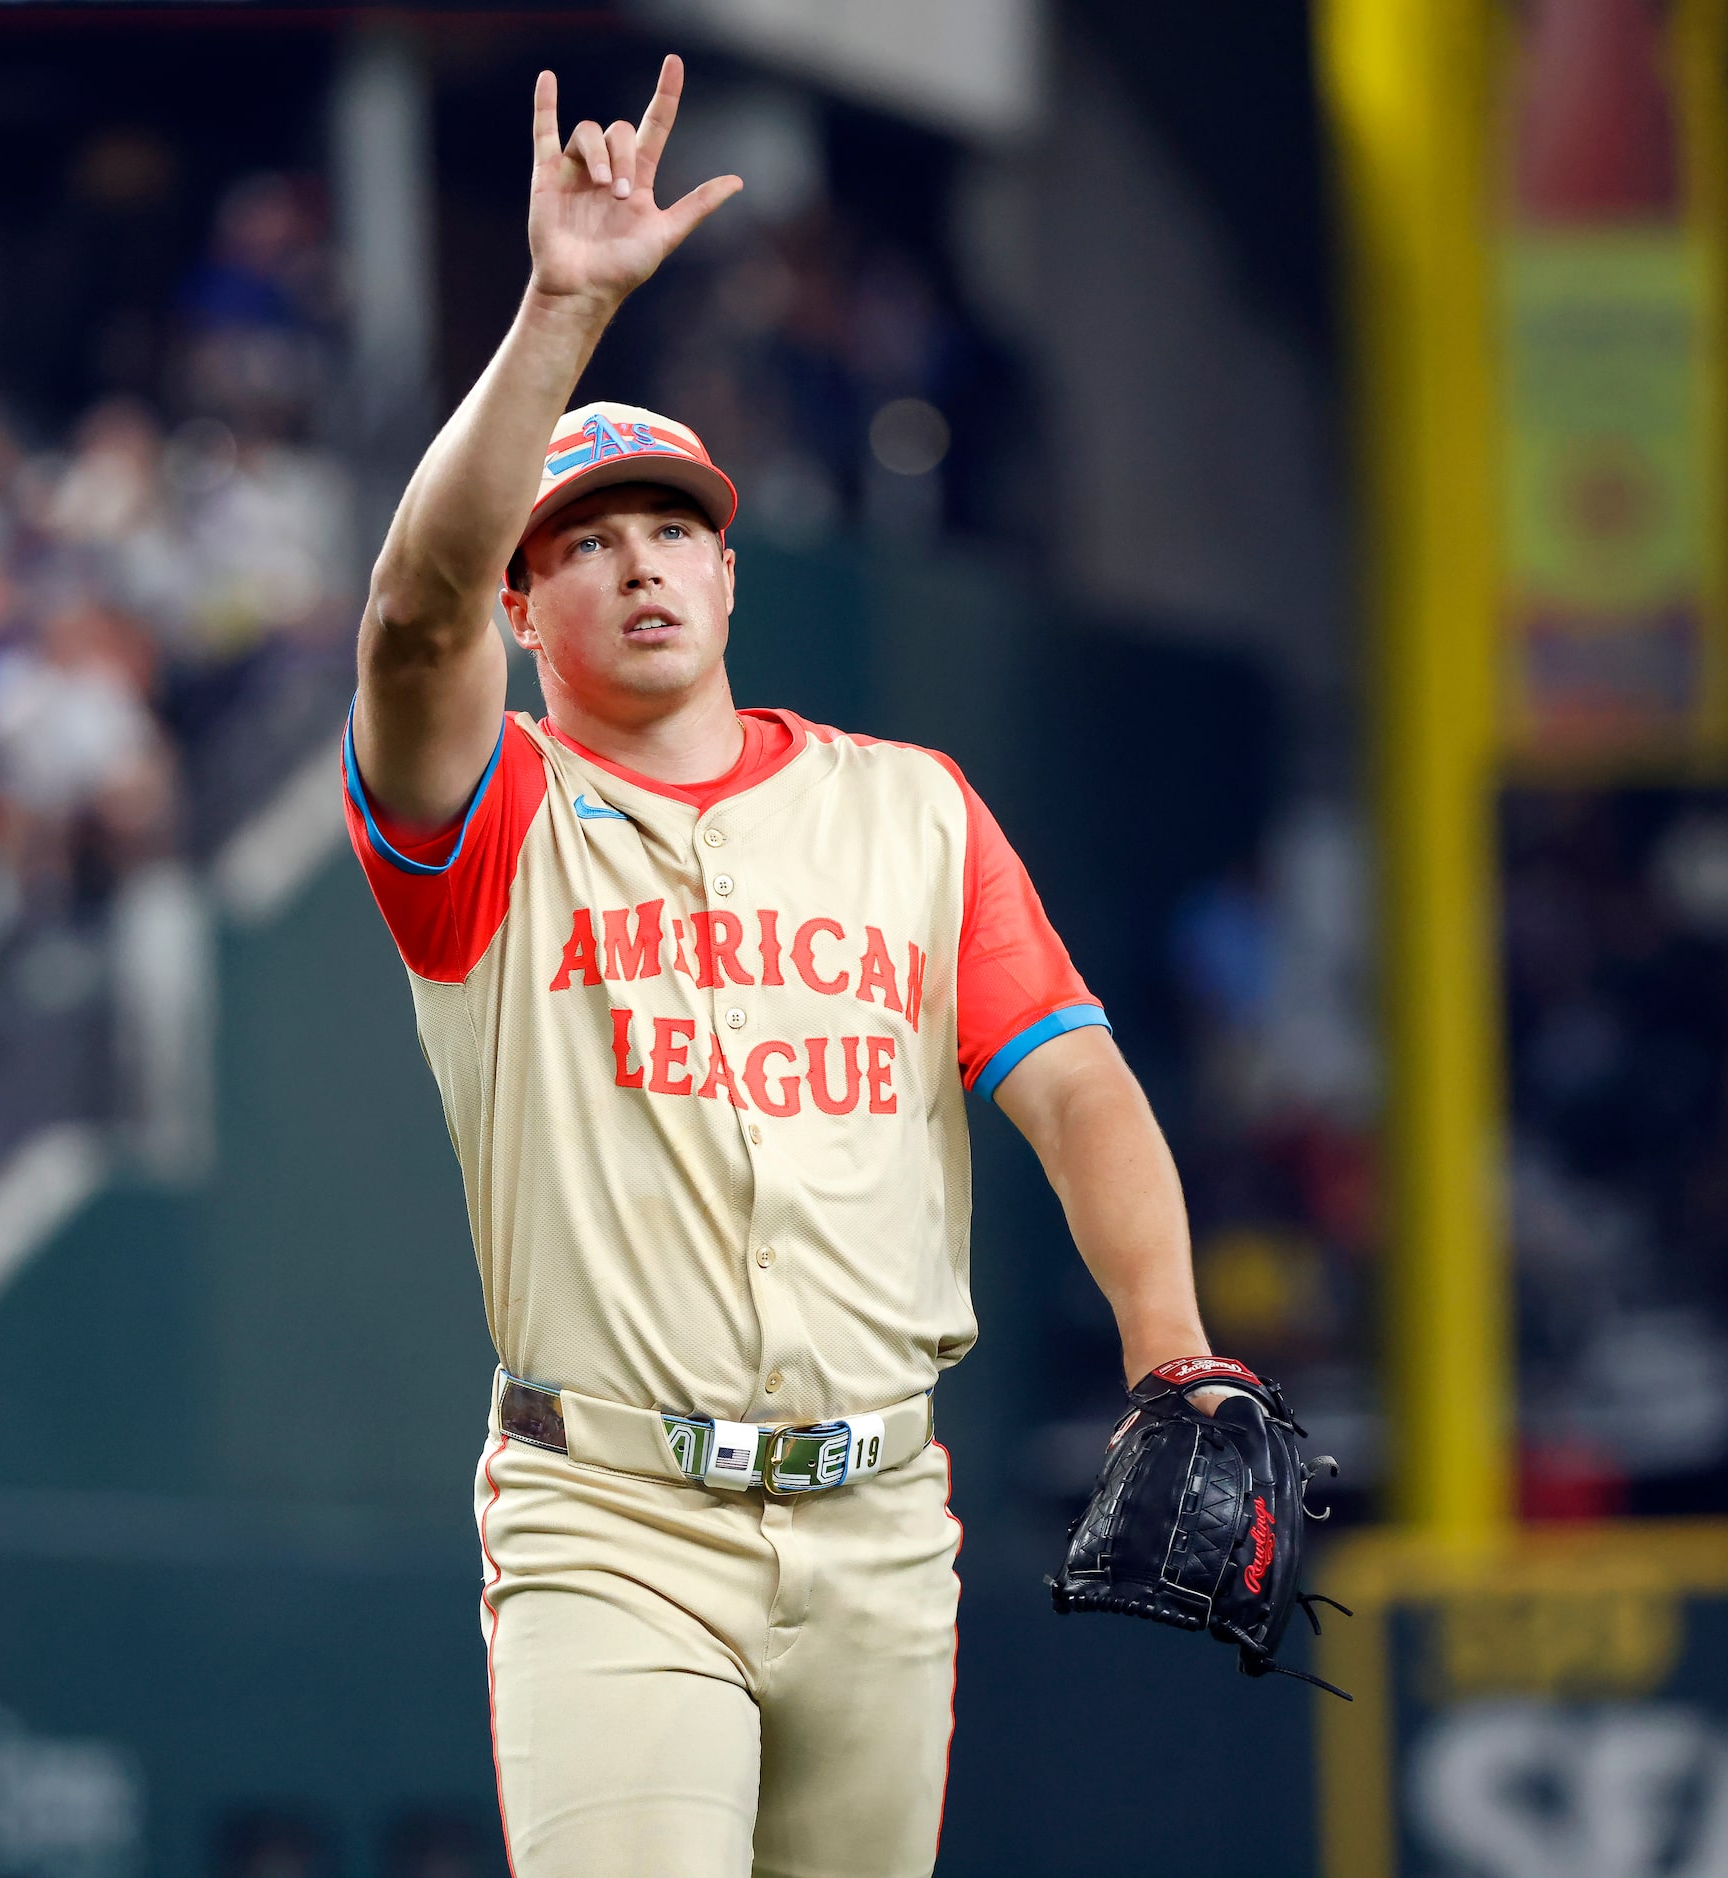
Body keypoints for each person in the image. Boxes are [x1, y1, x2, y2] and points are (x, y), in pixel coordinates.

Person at [341, 58, 1224, 1877]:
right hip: (615, 1521)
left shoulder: (909, 811)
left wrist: (1171, 1348)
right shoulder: (490, 812)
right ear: (526, 612)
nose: (641, 566)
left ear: (734, 580)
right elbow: (410, 605)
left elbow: (1070, 1079)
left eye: (675, 529)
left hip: (884, 1518)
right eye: (584, 544)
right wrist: (561, 315)